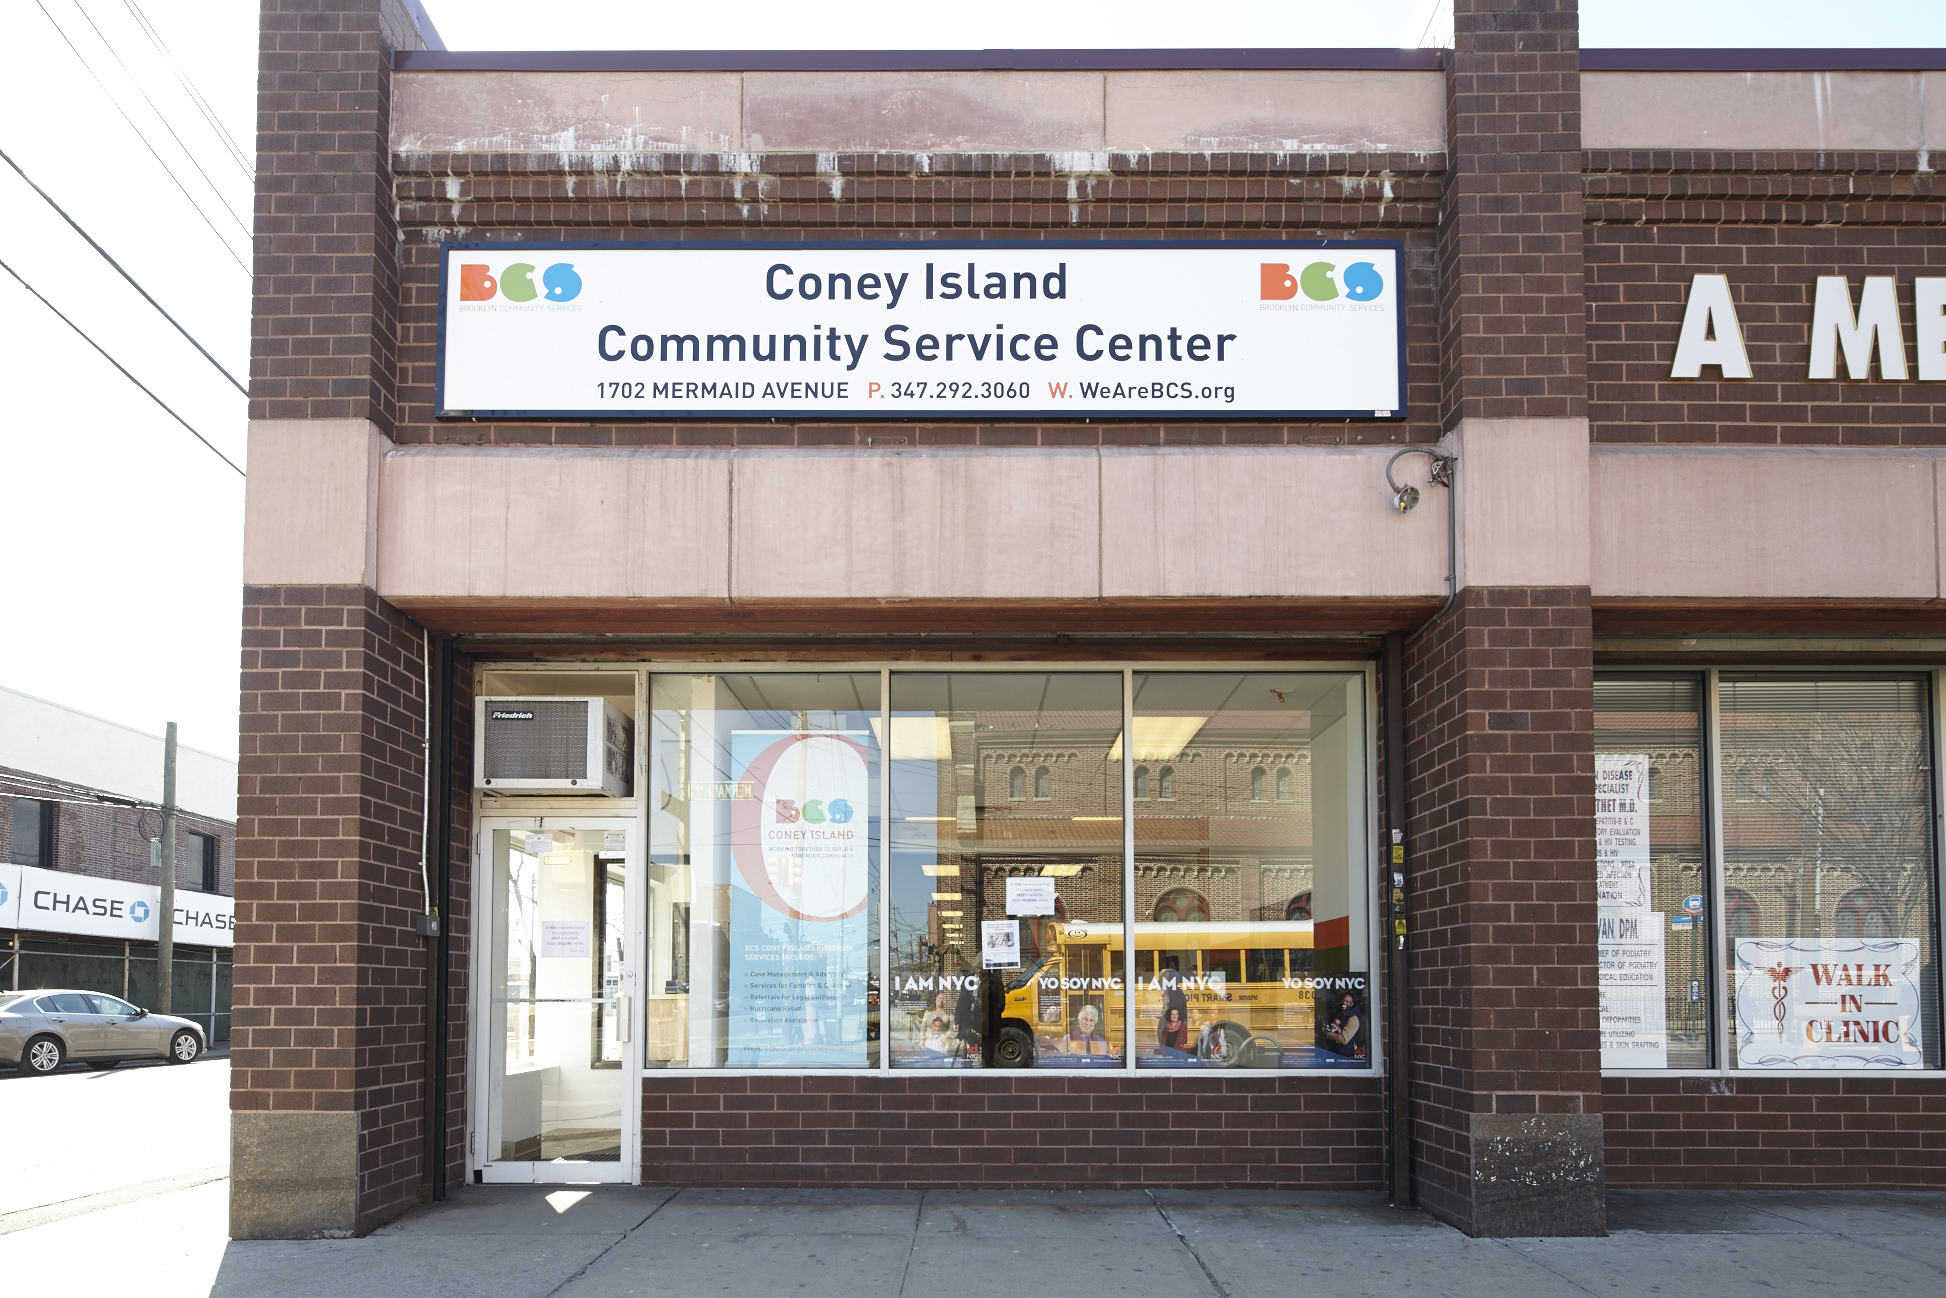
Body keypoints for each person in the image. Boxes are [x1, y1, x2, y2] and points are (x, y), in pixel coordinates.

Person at [1319, 991, 1366, 1058]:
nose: (1344, 1003)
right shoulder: (1340, 1014)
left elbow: (1343, 1039)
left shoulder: (1353, 1019)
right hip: (1334, 1054)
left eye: (1347, 1001)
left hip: (1346, 1057)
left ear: (1351, 1004)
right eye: (1343, 1000)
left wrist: (1326, 1034)